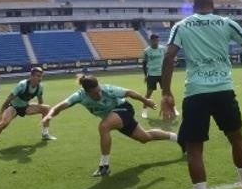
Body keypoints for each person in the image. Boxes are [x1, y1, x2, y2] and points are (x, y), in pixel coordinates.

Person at [160, 0, 242, 189]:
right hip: (223, 91)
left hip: (196, 93)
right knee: (236, 139)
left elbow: (169, 57)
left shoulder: (182, 26)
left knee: (194, 150)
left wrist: (166, 92)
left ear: (194, 5)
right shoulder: (226, 23)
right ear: (212, 4)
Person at [45, 74, 177, 177]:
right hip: (115, 116)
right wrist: (49, 115)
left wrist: (145, 100)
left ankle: (104, 166)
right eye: (95, 93)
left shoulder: (107, 89)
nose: (99, 94)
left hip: (123, 109)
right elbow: (61, 105)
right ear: (86, 92)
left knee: (103, 127)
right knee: (144, 138)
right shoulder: (79, 96)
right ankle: (176, 137)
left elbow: (130, 92)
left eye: (99, 90)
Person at [0, 66, 55, 150]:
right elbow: (8, 99)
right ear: (31, 76)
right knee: (4, 123)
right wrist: (0, 114)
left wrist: (43, 115)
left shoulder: (40, 87)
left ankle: (45, 134)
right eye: (37, 76)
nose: (40, 78)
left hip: (25, 107)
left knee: (47, 108)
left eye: (41, 76)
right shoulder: (22, 85)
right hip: (14, 107)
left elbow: (40, 103)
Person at [139, 33, 174, 119]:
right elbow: (144, 64)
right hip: (152, 75)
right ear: (151, 41)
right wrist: (145, 75)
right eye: (155, 40)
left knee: (168, 92)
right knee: (149, 93)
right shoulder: (147, 51)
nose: (156, 42)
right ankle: (144, 111)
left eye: (157, 40)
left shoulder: (163, 49)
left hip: (163, 74)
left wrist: (168, 72)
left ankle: (173, 109)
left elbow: (167, 60)